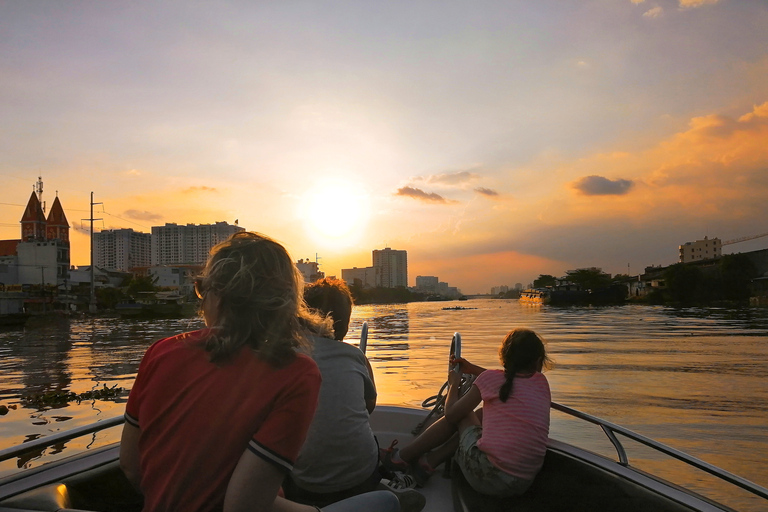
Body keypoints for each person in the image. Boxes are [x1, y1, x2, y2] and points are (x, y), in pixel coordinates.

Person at [119, 232, 399, 512]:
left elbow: (131, 466)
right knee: (387, 502)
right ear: (286, 302)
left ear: (213, 294)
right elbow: (244, 506)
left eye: (201, 289)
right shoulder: (296, 373)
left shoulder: (161, 351)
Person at [287, 278, 424, 512]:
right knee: (366, 434)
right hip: (360, 479)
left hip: (304, 486)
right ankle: (380, 489)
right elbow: (369, 407)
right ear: (346, 323)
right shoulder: (354, 356)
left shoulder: (284, 357)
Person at [381, 328, 552, 498]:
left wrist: (453, 384)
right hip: (523, 483)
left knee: (465, 413)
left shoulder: (492, 380)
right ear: (538, 361)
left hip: (485, 476)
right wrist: (473, 369)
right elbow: (507, 381)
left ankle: (401, 457)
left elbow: (451, 414)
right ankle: (426, 464)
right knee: (483, 415)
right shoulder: (542, 383)